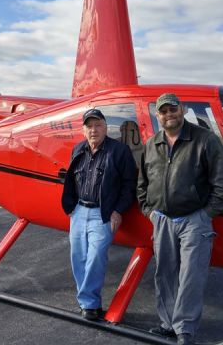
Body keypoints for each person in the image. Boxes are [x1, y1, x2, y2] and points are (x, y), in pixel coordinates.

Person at [137, 93, 223, 344]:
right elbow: (142, 183)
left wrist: (204, 215)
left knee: (191, 276)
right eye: (164, 111)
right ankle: (168, 324)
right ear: (157, 115)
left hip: (194, 220)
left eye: (173, 109)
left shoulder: (205, 140)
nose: (169, 115)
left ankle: (185, 330)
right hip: (162, 220)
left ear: (183, 110)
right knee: (165, 274)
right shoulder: (152, 144)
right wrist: (149, 212)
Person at [61, 108, 137, 320]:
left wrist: (118, 210)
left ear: (105, 128)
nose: (94, 130)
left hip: (102, 214)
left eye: (98, 125)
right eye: (89, 126)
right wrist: (71, 208)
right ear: (84, 130)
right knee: (78, 257)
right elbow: (72, 180)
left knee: (95, 257)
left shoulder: (119, 151)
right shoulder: (78, 149)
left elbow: (129, 185)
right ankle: (87, 302)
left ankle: (90, 303)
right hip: (79, 211)